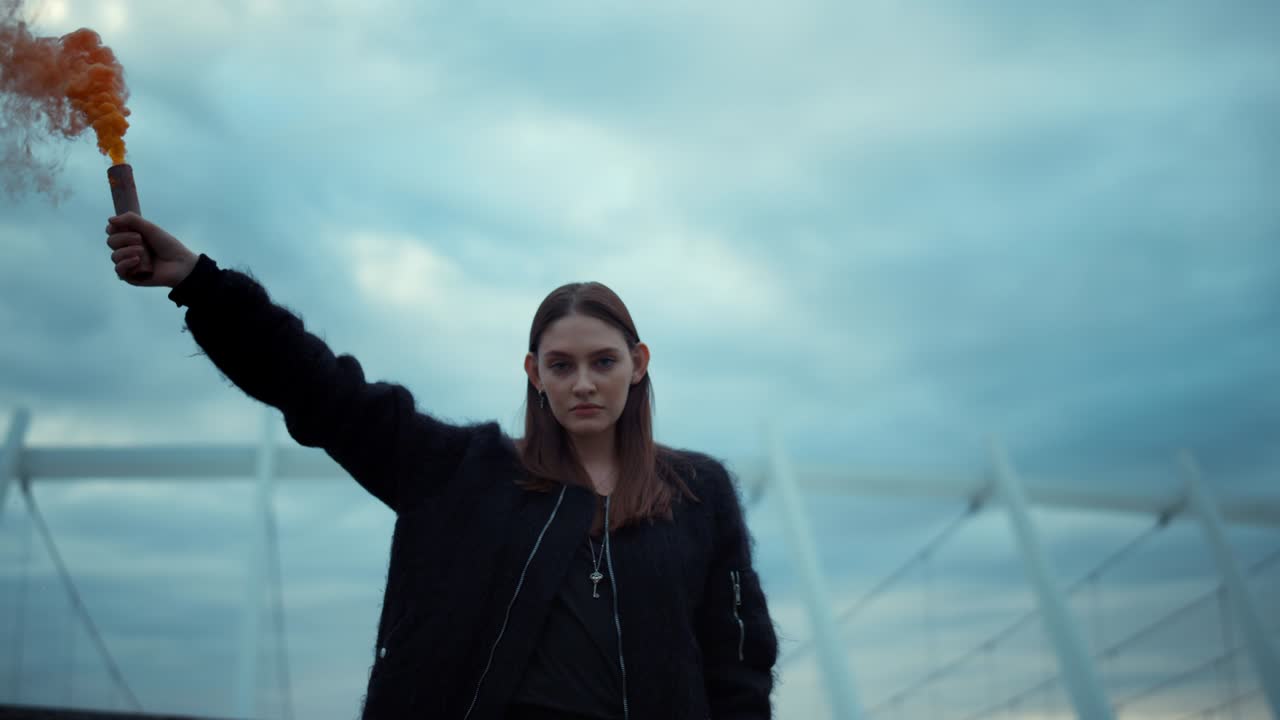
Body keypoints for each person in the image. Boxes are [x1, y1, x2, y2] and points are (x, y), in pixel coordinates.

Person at [104, 212, 780, 719]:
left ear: (638, 364)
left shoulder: (698, 492)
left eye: (603, 361)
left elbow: (738, 670)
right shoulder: (461, 472)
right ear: (533, 374)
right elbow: (318, 388)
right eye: (561, 364)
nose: (582, 383)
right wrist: (199, 283)